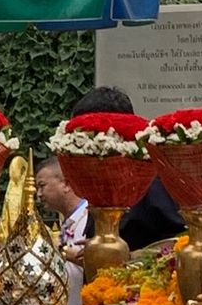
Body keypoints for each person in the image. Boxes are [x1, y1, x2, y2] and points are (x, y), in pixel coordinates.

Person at [70, 86, 184, 249]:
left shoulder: (152, 178)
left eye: (86, 134)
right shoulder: (98, 182)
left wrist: (124, 256)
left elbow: (179, 242)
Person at [34, 155, 87, 305]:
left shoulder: (90, 218)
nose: (38, 194)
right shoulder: (68, 221)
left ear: (66, 184)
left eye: (42, 186)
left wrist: (61, 251)